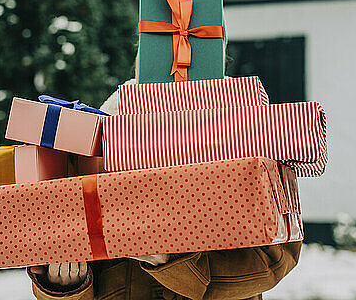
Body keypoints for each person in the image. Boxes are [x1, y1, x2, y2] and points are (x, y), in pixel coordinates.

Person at [27, 78, 302, 299]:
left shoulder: (238, 121)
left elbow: (275, 261)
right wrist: (64, 287)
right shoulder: (112, 115)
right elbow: (73, 232)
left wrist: (172, 260)